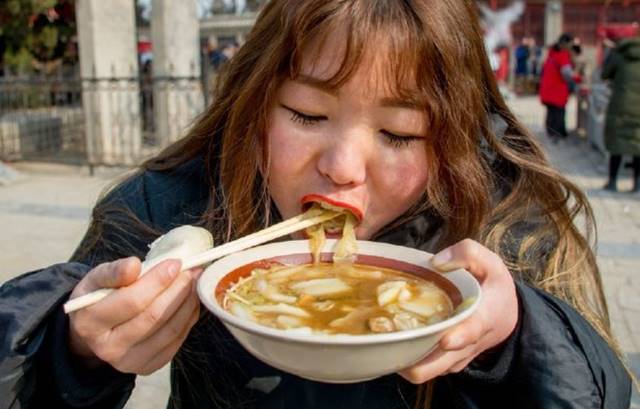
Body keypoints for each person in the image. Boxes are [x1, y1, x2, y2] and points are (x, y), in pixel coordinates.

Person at [0, 1, 632, 408]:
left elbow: (602, 392)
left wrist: (514, 338)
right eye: (307, 114)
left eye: (399, 134)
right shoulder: (173, 206)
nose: (343, 167)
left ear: (451, 139)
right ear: (255, 101)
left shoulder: (505, 225)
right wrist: (75, 352)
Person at [601, 35, 640, 193]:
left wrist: (610, 53)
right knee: (638, 145)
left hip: (620, 106)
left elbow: (605, 74)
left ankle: (612, 182)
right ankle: (637, 184)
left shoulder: (619, 54)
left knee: (616, 145)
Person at [539, 33, 580, 142]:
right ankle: (558, 134)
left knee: (551, 112)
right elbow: (567, 74)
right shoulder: (562, 56)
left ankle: (550, 132)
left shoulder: (551, 55)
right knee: (558, 113)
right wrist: (577, 78)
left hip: (547, 89)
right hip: (557, 90)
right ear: (566, 44)